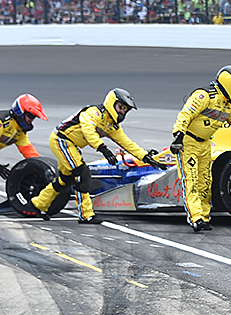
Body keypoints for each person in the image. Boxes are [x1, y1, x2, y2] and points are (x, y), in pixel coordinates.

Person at [27, 88, 166, 224]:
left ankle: (38, 204)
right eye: (121, 107)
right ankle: (85, 215)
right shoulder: (94, 112)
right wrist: (103, 149)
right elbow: (88, 131)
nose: (122, 112)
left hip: (72, 145)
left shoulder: (112, 125)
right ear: (112, 102)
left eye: (125, 110)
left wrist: (146, 158)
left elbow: (127, 143)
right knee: (82, 174)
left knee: (65, 180)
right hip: (61, 140)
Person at [170, 65, 231, 232]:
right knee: (191, 181)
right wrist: (178, 135)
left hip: (206, 145)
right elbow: (186, 114)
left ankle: (205, 217)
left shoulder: (229, 107)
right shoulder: (204, 96)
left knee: (206, 183)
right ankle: (196, 218)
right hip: (188, 143)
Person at [0, 94, 47, 180]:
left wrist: (42, 168)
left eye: (34, 117)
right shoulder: (2, 123)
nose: (32, 120)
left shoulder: (20, 132)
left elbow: (29, 152)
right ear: (20, 113)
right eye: (30, 116)